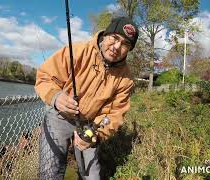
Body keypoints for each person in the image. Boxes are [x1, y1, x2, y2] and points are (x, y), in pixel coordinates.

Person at [35, 16, 139, 180]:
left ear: (129, 49)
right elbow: (45, 77)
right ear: (105, 35)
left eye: (125, 44)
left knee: (92, 176)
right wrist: (56, 96)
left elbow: (115, 113)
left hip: (90, 125)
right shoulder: (77, 50)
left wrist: (96, 135)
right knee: (50, 173)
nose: (117, 46)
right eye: (115, 38)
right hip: (59, 117)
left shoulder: (126, 79)